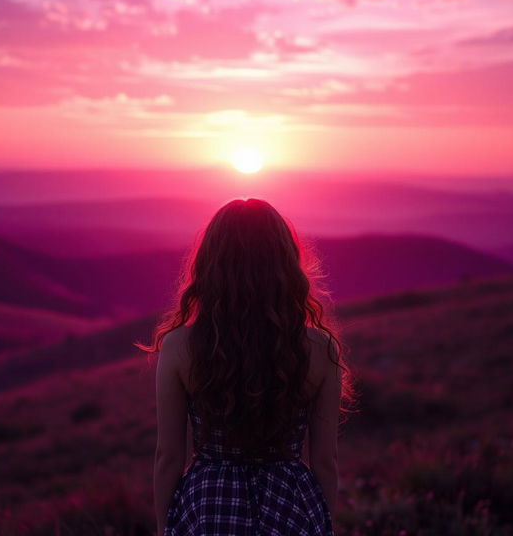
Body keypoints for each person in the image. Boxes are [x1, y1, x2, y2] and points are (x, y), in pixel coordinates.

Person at [136, 198, 355, 535]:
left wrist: (167, 528)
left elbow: (168, 457)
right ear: (285, 263)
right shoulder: (320, 348)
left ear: (210, 263)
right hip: (290, 506)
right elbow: (326, 461)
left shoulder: (179, 346)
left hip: (208, 507)